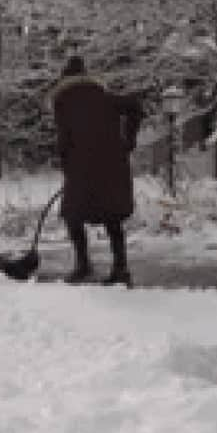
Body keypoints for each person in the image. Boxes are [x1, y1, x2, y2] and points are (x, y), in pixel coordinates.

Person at [50, 55, 144, 287]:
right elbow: (135, 106)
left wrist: (66, 166)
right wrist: (128, 140)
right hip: (113, 165)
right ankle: (120, 268)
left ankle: (83, 265)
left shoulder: (62, 101)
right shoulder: (105, 97)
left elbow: (64, 139)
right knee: (111, 217)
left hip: (81, 168)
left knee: (73, 215)